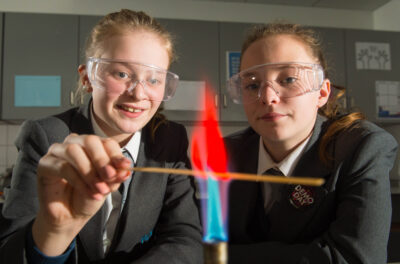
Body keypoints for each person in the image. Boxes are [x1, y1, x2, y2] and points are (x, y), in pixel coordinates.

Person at [0, 9, 203, 263]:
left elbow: (185, 238)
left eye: (154, 79)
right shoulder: (46, 136)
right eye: (121, 74)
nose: (138, 94)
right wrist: (53, 232)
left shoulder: (170, 139)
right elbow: (9, 252)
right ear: (87, 78)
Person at [225, 23, 397, 264]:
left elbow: (357, 258)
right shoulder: (227, 154)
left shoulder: (361, 147)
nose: (267, 97)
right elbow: (191, 241)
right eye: (252, 85)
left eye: (288, 79)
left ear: (322, 92)